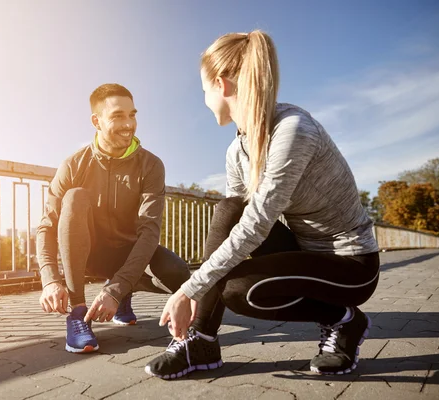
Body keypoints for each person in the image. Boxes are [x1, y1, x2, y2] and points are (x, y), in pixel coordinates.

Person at [145, 30, 380, 379]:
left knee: (240, 291)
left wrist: (187, 290)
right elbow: (235, 223)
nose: (205, 99)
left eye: (203, 90)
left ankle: (346, 320)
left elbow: (256, 225)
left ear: (222, 85)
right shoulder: (236, 151)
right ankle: (201, 341)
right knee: (227, 209)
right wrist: (198, 288)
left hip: (351, 265)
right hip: (304, 251)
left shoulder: (293, 130)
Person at [36, 83, 190, 354]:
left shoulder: (151, 165)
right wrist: (49, 279)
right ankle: (78, 313)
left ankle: (123, 294)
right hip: (88, 254)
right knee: (74, 197)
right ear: (96, 121)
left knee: (177, 272)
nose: (129, 124)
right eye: (118, 116)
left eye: (133, 115)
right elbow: (47, 226)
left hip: (129, 254)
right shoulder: (73, 164)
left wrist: (115, 290)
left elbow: (149, 232)